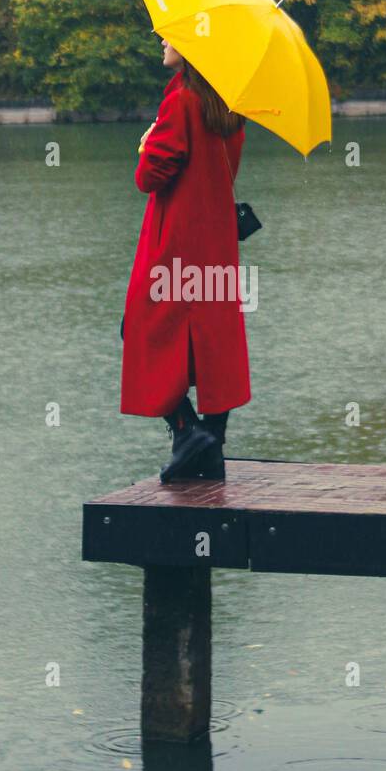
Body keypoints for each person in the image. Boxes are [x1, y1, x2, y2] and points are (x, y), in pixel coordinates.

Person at [120, 37, 250, 481]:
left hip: (174, 242)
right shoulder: (229, 107)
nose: (161, 39)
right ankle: (208, 447)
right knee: (213, 341)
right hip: (214, 243)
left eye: (172, 35)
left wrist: (147, 144)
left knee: (138, 327)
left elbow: (149, 176)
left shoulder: (181, 103)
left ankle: (187, 430)